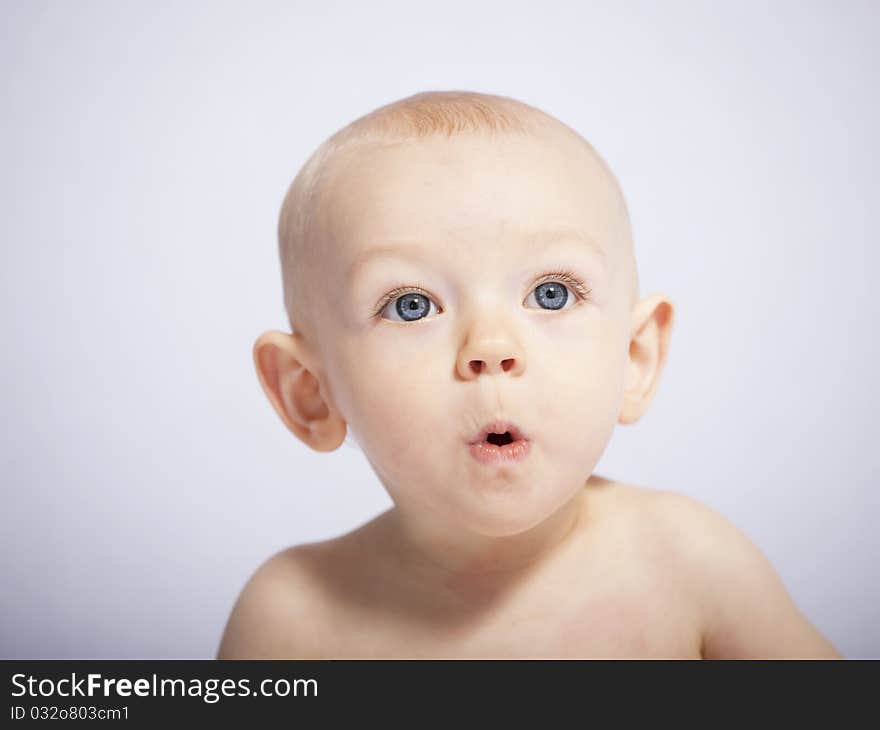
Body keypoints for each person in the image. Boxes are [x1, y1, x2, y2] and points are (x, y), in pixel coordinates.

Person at [217, 90, 840, 658]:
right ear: (310, 393)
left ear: (634, 358)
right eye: (412, 305)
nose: (490, 348)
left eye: (550, 293)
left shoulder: (687, 563)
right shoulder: (292, 621)